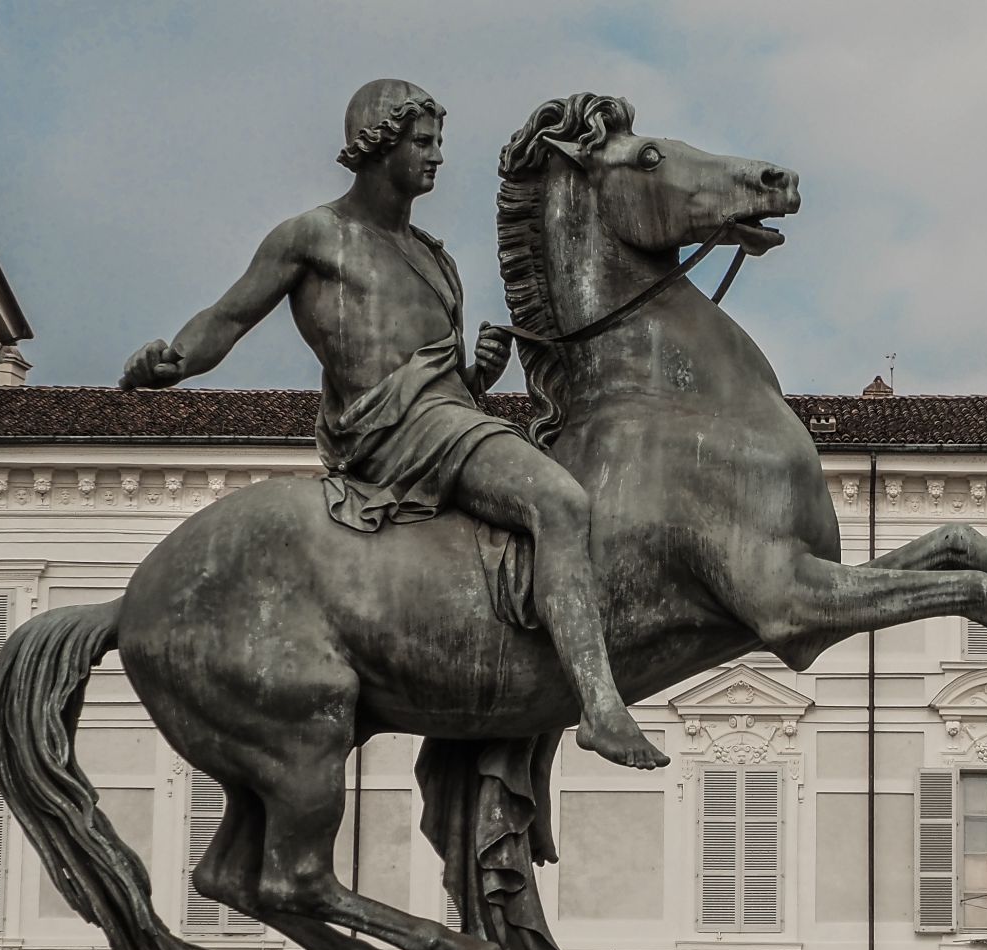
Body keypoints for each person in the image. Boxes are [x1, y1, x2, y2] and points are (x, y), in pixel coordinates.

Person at [119, 79, 667, 770]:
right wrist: (174, 361)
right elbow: (227, 318)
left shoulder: (434, 256)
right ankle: (600, 708)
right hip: (392, 431)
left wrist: (477, 376)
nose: (437, 156)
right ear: (379, 144)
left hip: (446, 419)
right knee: (558, 501)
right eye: (424, 142)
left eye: (439, 142)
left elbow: (438, 375)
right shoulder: (314, 236)